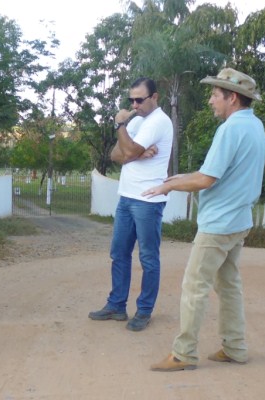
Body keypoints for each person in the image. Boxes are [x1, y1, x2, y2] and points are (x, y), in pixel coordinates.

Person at [147, 68, 265, 371]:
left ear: (233, 98)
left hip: (218, 224)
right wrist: (181, 177)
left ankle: (184, 354)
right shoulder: (254, 126)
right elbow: (217, 173)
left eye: (216, 94)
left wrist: (169, 185)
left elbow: (208, 179)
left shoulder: (230, 129)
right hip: (239, 221)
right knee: (228, 285)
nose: (211, 100)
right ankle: (235, 348)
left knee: (194, 286)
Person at [88, 77, 173, 331]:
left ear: (155, 97)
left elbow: (129, 149)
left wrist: (122, 128)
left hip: (148, 200)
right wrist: (134, 152)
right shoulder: (136, 121)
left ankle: (144, 311)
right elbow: (116, 154)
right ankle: (116, 305)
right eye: (131, 100)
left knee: (148, 257)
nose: (134, 105)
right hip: (126, 197)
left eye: (139, 99)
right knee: (119, 254)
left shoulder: (159, 121)